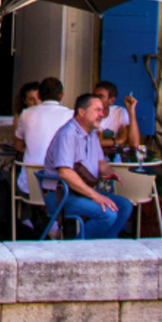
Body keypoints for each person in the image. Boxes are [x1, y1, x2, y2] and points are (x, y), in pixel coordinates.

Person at [40, 93, 133, 240]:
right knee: (107, 214)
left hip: (80, 193)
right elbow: (65, 173)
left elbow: (100, 162)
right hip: (60, 196)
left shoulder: (93, 134)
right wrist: (96, 196)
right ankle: (78, 254)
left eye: (102, 111)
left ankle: (105, 247)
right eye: (97, 110)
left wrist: (110, 171)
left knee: (124, 206)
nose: (102, 115)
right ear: (82, 112)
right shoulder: (68, 134)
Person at [13, 76, 71, 196]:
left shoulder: (26, 114)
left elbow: (18, 146)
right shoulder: (71, 115)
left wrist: (32, 148)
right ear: (61, 96)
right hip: (60, 187)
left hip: (30, 185)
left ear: (38, 95)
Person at [94, 80, 141, 154]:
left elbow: (134, 145)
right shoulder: (86, 112)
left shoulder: (119, 112)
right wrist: (119, 140)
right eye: (94, 96)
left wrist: (131, 111)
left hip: (112, 158)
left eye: (100, 97)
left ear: (112, 101)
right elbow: (89, 143)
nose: (95, 99)